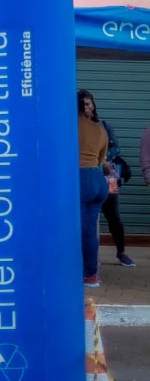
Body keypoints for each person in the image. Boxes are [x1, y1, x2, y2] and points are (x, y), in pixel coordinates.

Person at [78, 90, 111, 289]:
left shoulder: (68, 126)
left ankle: (70, 271)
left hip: (81, 178)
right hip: (98, 181)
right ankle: (91, 276)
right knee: (89, 231)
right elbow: (100, 160)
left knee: (73, 229)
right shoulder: (100, 129)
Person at [97, 107, 136, 268]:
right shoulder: (74, 126)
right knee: (86, 218)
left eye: (89, 103)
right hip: (85, 174)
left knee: (113, 216)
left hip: (108, 177)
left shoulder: (104, 126)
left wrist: (100, 158)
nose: (86, 107)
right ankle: (89, 255)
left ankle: (121, 252)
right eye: (83, 104)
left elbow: (116, 148)